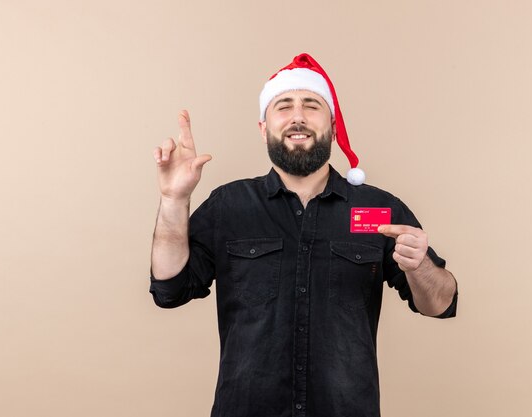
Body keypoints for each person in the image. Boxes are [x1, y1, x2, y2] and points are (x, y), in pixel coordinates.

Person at [149, 53, 458, 417]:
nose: (298, 116)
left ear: (331, 124)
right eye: (283, 106)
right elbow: (169, 291)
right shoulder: (228, 206)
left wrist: (420, 265)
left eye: (311, 105)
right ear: (264, 127)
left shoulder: (379, 211)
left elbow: (440, 304)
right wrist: (173, 199)